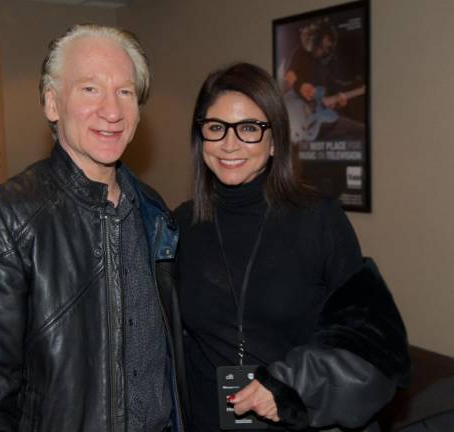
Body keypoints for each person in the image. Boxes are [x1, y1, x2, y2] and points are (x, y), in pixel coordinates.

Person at [0, 24, 183, 432]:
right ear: (52, 104)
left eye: (125, 92)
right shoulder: (3, 219)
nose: (112, 110)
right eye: (90, 89)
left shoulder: (154, 211)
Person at [172, 62, 410, 431]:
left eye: (249, 128)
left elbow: (377, 350)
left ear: (274, 142)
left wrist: (290, 386)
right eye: (216, 128)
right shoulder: (181, 226)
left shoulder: (319, 220)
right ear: (200, 137)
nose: (229, 143)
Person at [283, 19, 365, 143]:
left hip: (318, 120)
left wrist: (340, 100)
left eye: (327, 48)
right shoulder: (300, 53)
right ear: (314, 39)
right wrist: (300, 86)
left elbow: (334, 90)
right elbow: (289, 75)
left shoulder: (323, 67)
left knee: (361, 130)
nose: (324, 51)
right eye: (322, 46)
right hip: (300, 117)